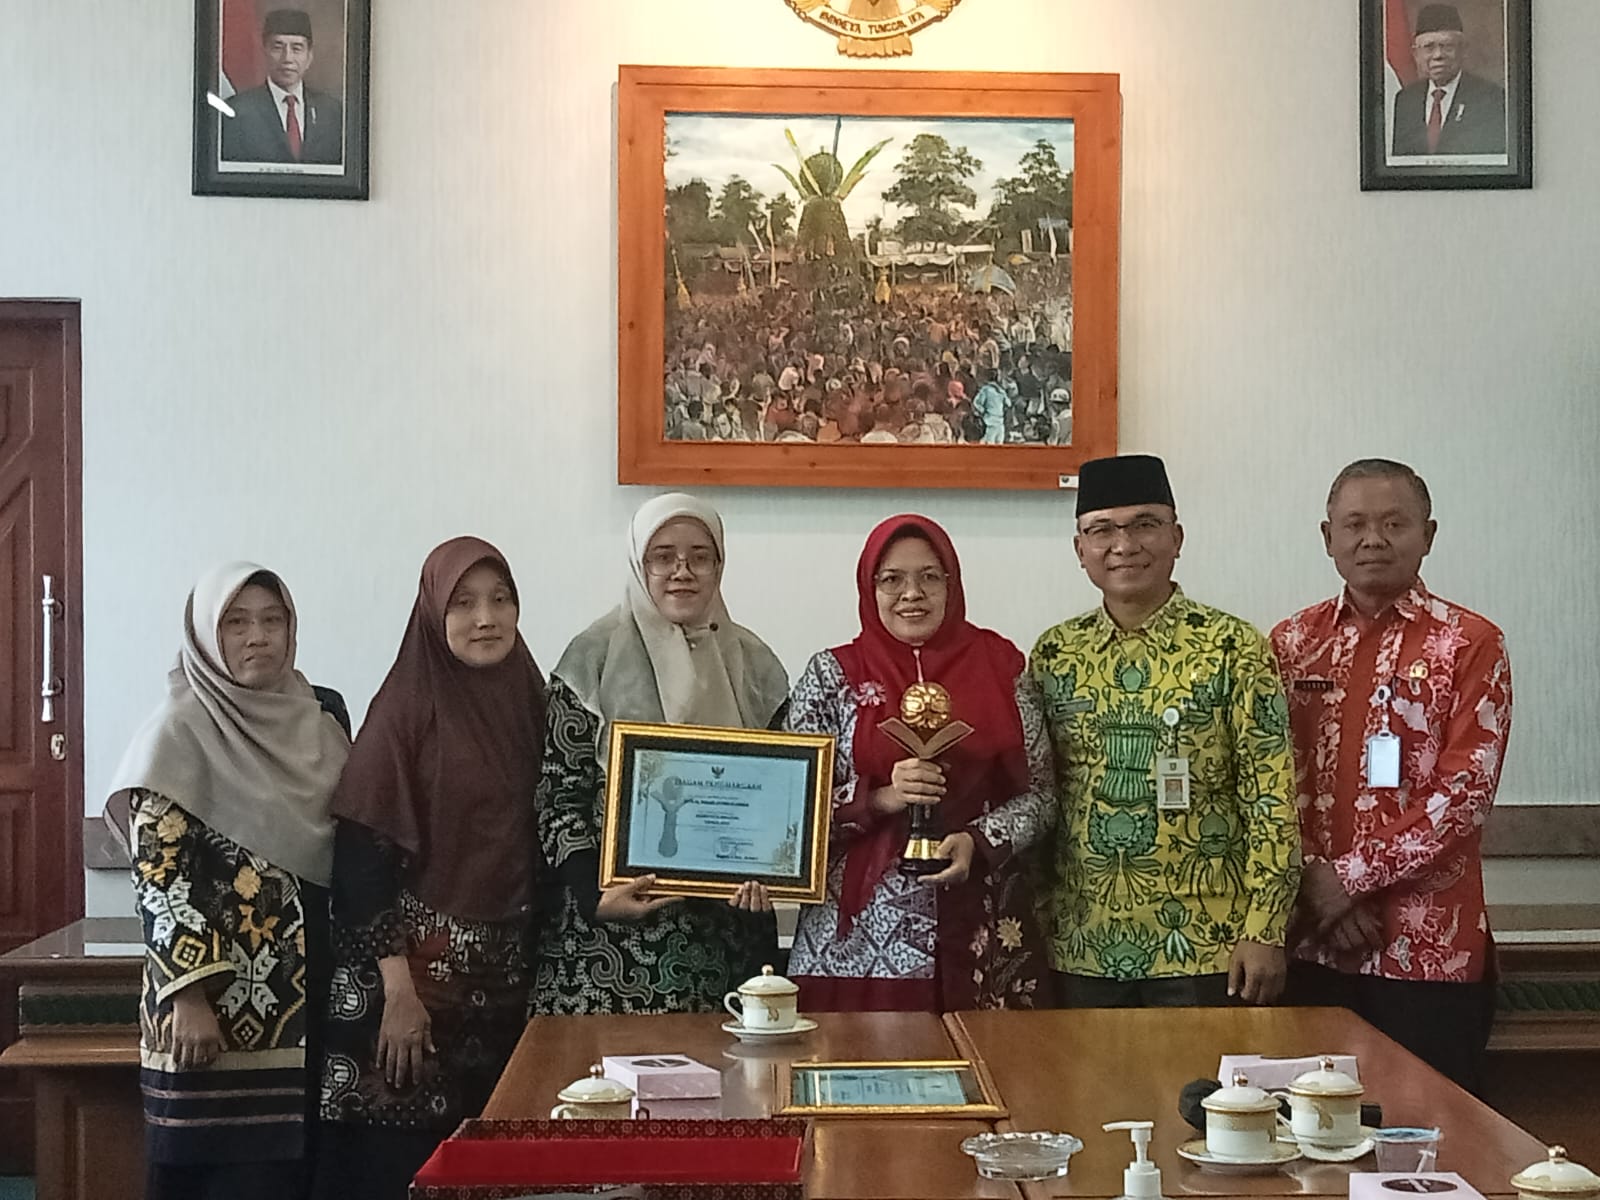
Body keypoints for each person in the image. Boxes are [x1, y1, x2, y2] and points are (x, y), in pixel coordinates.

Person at [108, 563, 351, 1200]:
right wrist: (188, 994)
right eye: (236, 623)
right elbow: (159, 881)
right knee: (221, 1178)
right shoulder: (176, 732)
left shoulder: (321, 724)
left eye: (273, 620)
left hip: (308, 1002)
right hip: (215, 1015)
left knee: (300, 1175)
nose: (257, 637)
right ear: (206, 636)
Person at [315, 538, 545, 1200]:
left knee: (496, 1172)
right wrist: (398, 994)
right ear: (432, 613)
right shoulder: (404, 711)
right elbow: (362, 864)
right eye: (463, 603)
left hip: (508, 992)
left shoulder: (533, 701)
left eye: (500, 600)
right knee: (403, 1169)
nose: (486, 619)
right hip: (413, 995)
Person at [1273, 459, 1511, 1093]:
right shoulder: (1290, 643)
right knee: (1309, 1132)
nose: (1372, 539)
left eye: (1393, 524)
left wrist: (1346, 880)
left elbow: (1464, 796)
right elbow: (1267, 782)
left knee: (1428, 1133)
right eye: (1354, 524)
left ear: (1427, 535)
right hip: (1311, 941)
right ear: (1327, 537)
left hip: (1426, 949)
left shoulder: (1470, 643)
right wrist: (1314, 881)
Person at [1029, 454, 1301, 1007]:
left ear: (1177, 538)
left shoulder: (1233, 646)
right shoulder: (1054, 654)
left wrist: (1265, 927)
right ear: (1079, 549)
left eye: (1145, 524)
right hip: (1081, 943)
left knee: (1206, 1071)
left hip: (1208, 943)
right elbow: (1042, 794)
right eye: (1102, 530)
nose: (1124, 544)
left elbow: (1270, 796)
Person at [532, 494, 791, 1014]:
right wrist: (594, 896)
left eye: (700, 557)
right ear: (639, 563)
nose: (682, 571)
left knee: (731, 1067)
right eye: (663, 556)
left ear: (719, 566)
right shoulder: (591, 660)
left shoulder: (757, 666)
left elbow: (777, 800)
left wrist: (772, 873)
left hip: (727, 940)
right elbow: (559, 797)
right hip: (611, 944)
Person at [785, 516, 1055, 1011]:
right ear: (870, 588)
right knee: (854, 1059)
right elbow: (789, 810)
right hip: (860, 941)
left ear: (952, 583)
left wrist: (978, 840)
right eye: (892, 579)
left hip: (982, 920)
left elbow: (1041, 795)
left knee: (986, 1059)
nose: (912, 593)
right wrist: (881, 797)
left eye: (930, 576)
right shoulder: (832, 676)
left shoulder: (1000, 665)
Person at [221, 9, 345, 165]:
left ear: (309, 56)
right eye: (278, 48)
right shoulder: (237, 112)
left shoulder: (332, 113)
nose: (287, 58)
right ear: (264, 52)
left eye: (297, 48)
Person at [1391, 4, 1507, 157]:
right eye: (1429, 47)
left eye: (1447, 46)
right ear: (1416, 54)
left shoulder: (1490, 98)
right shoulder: (1405, 100)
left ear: (1463, 50)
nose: (1438, 55)